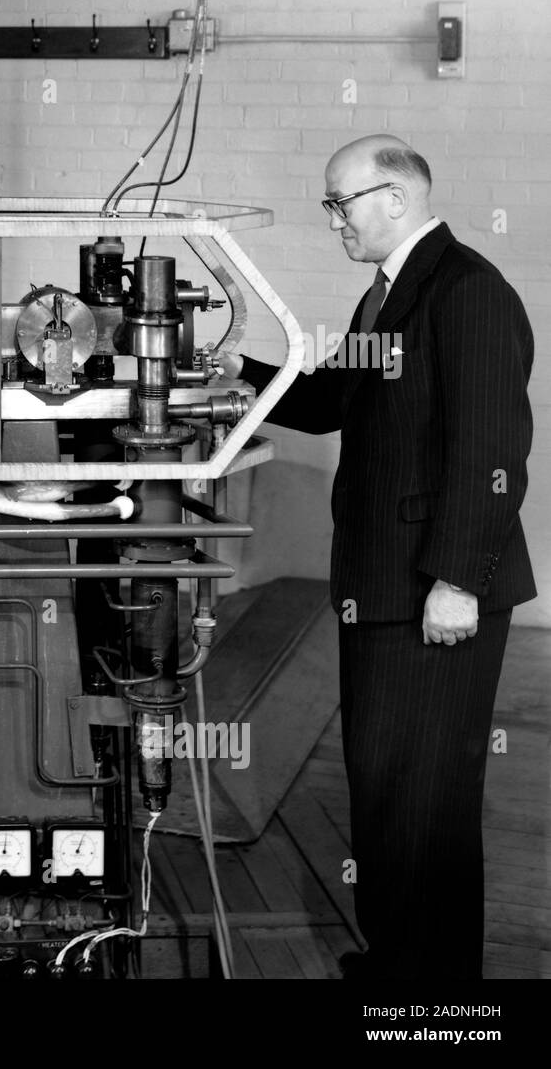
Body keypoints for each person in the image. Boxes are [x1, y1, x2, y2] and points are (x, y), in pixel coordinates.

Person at [219, 134, 535, 979]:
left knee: (426, 803)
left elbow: (493, 452)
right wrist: (235, 369)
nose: (334, 221)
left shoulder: (468, 292)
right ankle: (397, 964)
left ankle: (436, 1000)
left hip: (435, 590)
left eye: (340, 202)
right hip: (382, 586)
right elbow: (331, 398)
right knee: (386, 789)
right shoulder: (384, 296)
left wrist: (458, 581)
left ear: (395, 197)